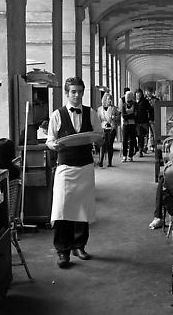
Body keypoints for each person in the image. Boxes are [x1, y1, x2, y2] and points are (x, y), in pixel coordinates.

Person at [46, 76, 103, 268]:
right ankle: (62, 250)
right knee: (62, 208)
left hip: (85, 166)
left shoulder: (91, 113)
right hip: (65, 167)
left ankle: (79, 245)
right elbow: (50, 139)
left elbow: (98, 134)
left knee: (83, 208)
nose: (77, 95)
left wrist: (99, 140)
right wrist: (54, 146)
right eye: (73, 92)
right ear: (66, 93)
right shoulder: (57, 114)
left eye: (80, 92)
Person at [97, 92, 120, 167]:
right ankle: (100, 161)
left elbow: (119, 118)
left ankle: (110, 162)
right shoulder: (100, 109)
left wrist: (115, 118)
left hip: (111, 128)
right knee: (102, 145)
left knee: (110, 145)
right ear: (104, 100)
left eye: (111, 99)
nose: (110, 101)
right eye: (108, 99)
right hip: (103, 128)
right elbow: (98, 119)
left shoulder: (114, 108)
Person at [135, 88, 152, 157]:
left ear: (141, 94)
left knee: (141, 136)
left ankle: (140, 150)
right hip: (136, 122)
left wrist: (150, 118)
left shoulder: (145, 101)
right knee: (137, 136)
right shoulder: (133, 102)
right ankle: (138, 149)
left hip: (143, 121)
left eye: (139, 94)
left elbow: (150, 110)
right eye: (137, 94)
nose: (138, 95)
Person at [121, 90, 137, 162]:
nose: (127, 98)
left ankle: (130, 155)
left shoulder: (135, 104)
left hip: (133, 124)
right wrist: (130, 116)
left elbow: (136, 114)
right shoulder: (124, 105)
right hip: (125, 124)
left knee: (132, 140)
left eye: (128, 96)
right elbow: (123, 115)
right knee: (124, 140)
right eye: (126, 96)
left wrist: (128, 116)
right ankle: (124, 155)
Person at [144, 87, 159, 152]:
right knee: (146, 133)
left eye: (149, 92)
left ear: (152, 92)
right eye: (146, 92)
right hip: (145, 119)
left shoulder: (155, 100)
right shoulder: (144, 100)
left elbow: (157, 108)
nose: (148, 93)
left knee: (153, 132)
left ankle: (154, 145)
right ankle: (146, 146)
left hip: (153, 118)